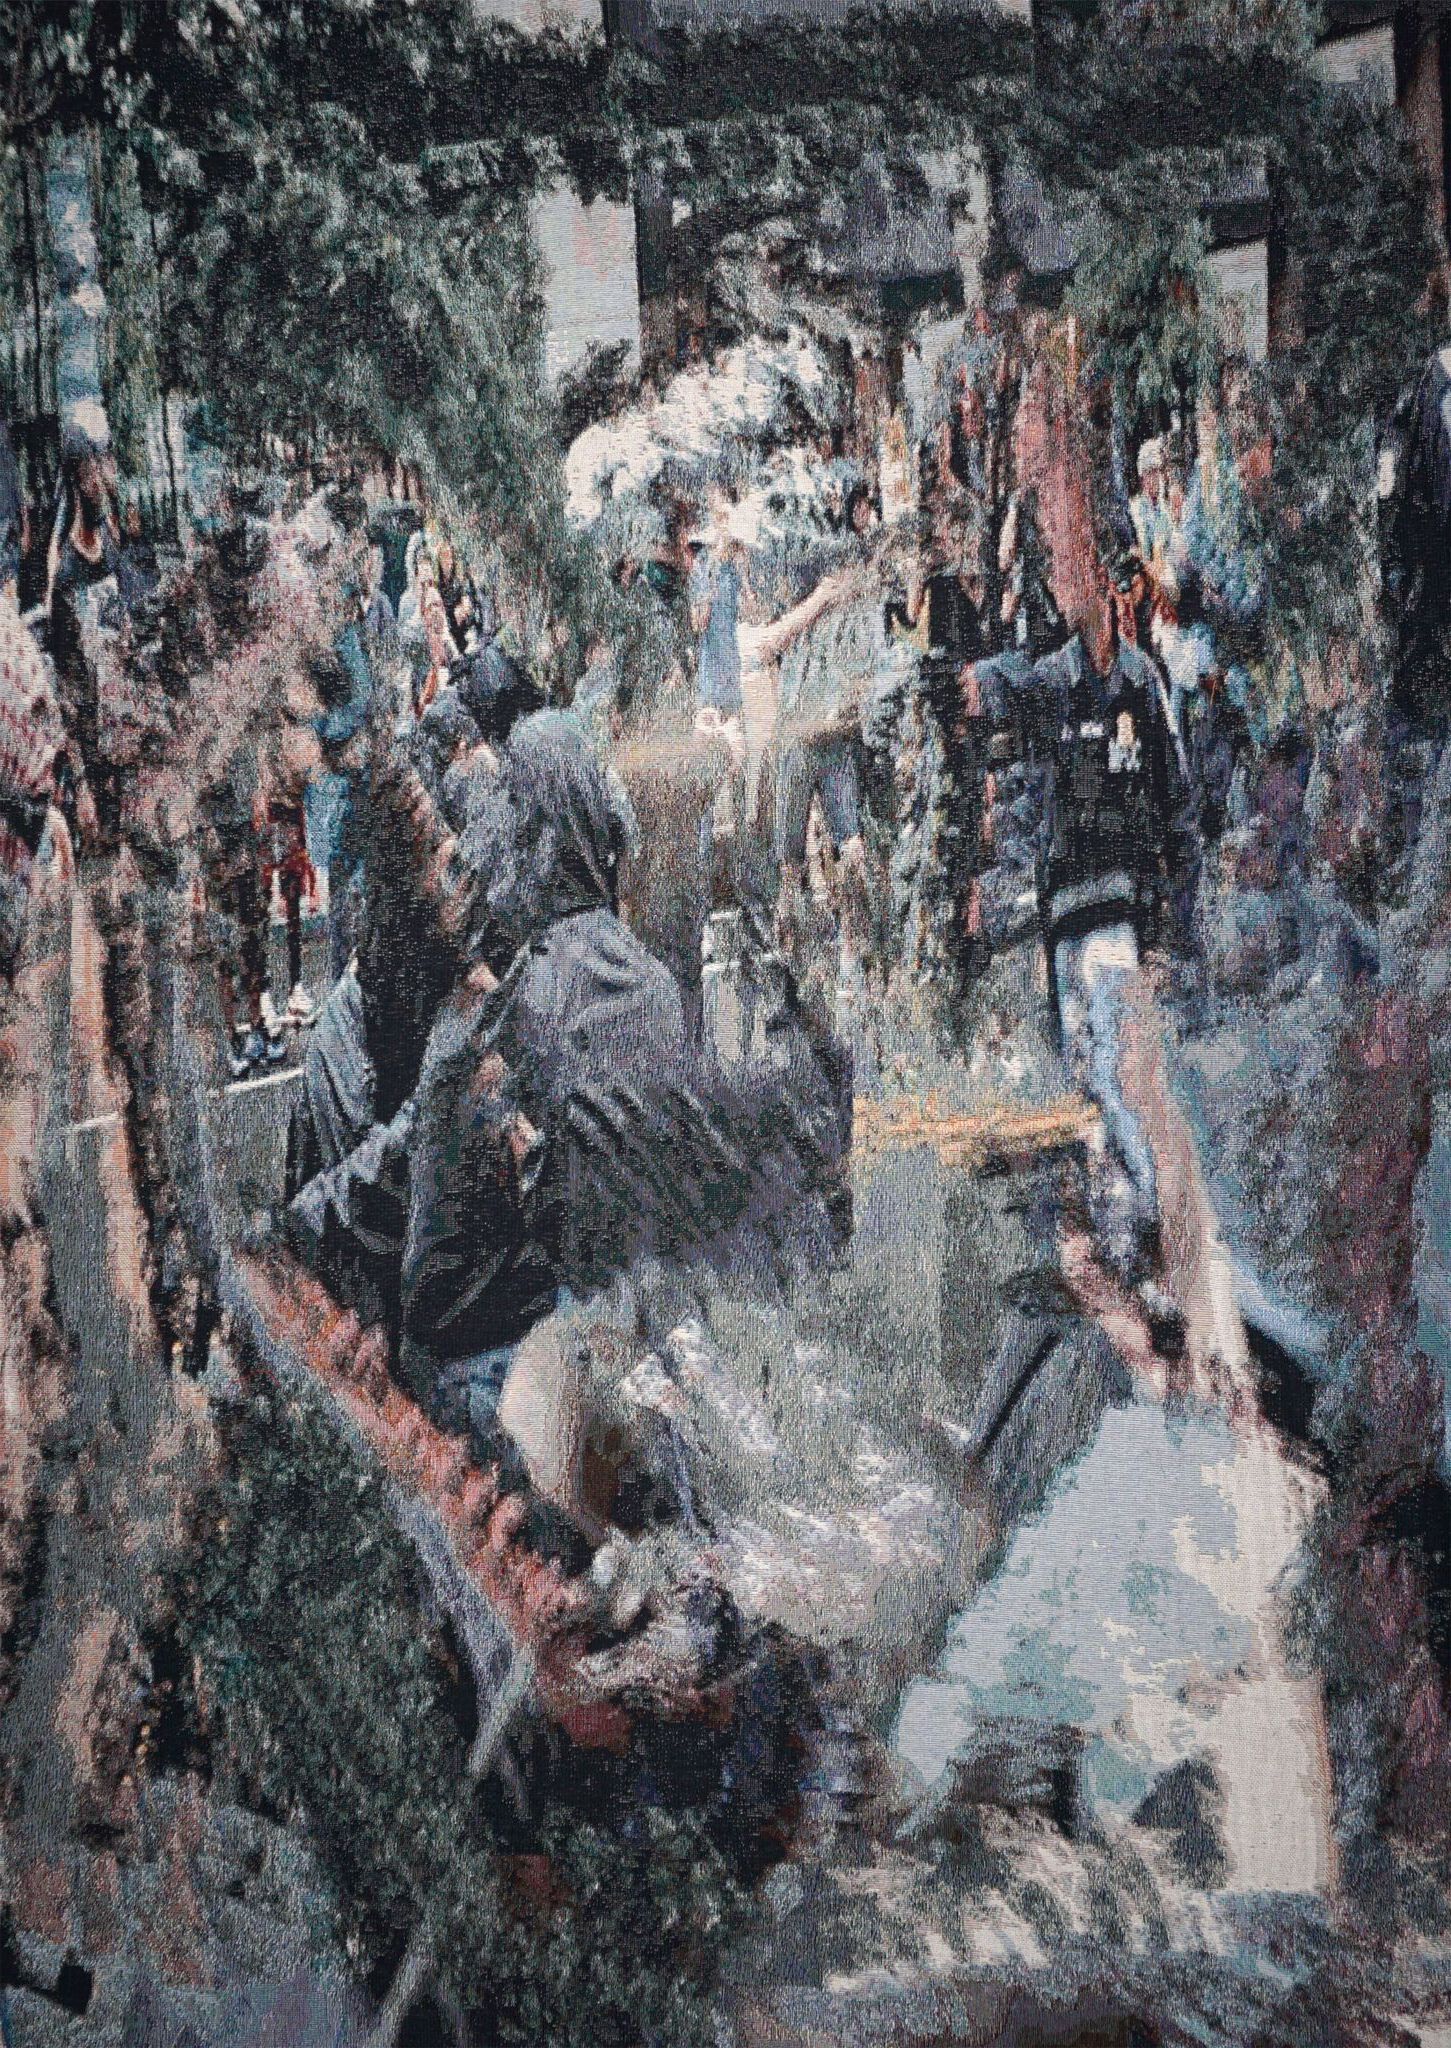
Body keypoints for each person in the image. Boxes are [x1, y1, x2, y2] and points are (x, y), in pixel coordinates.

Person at [975, 553, 1198, 1345]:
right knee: (1088, 1088)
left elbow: (1175, 806)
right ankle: (1129, 1255)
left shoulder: (1140, 682)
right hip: (1063, 918)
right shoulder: (1045, 682)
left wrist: (1171, 935)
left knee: (1117, 1078)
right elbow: (1006, 738)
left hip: (1117, 915)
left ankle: (1154, 1261)